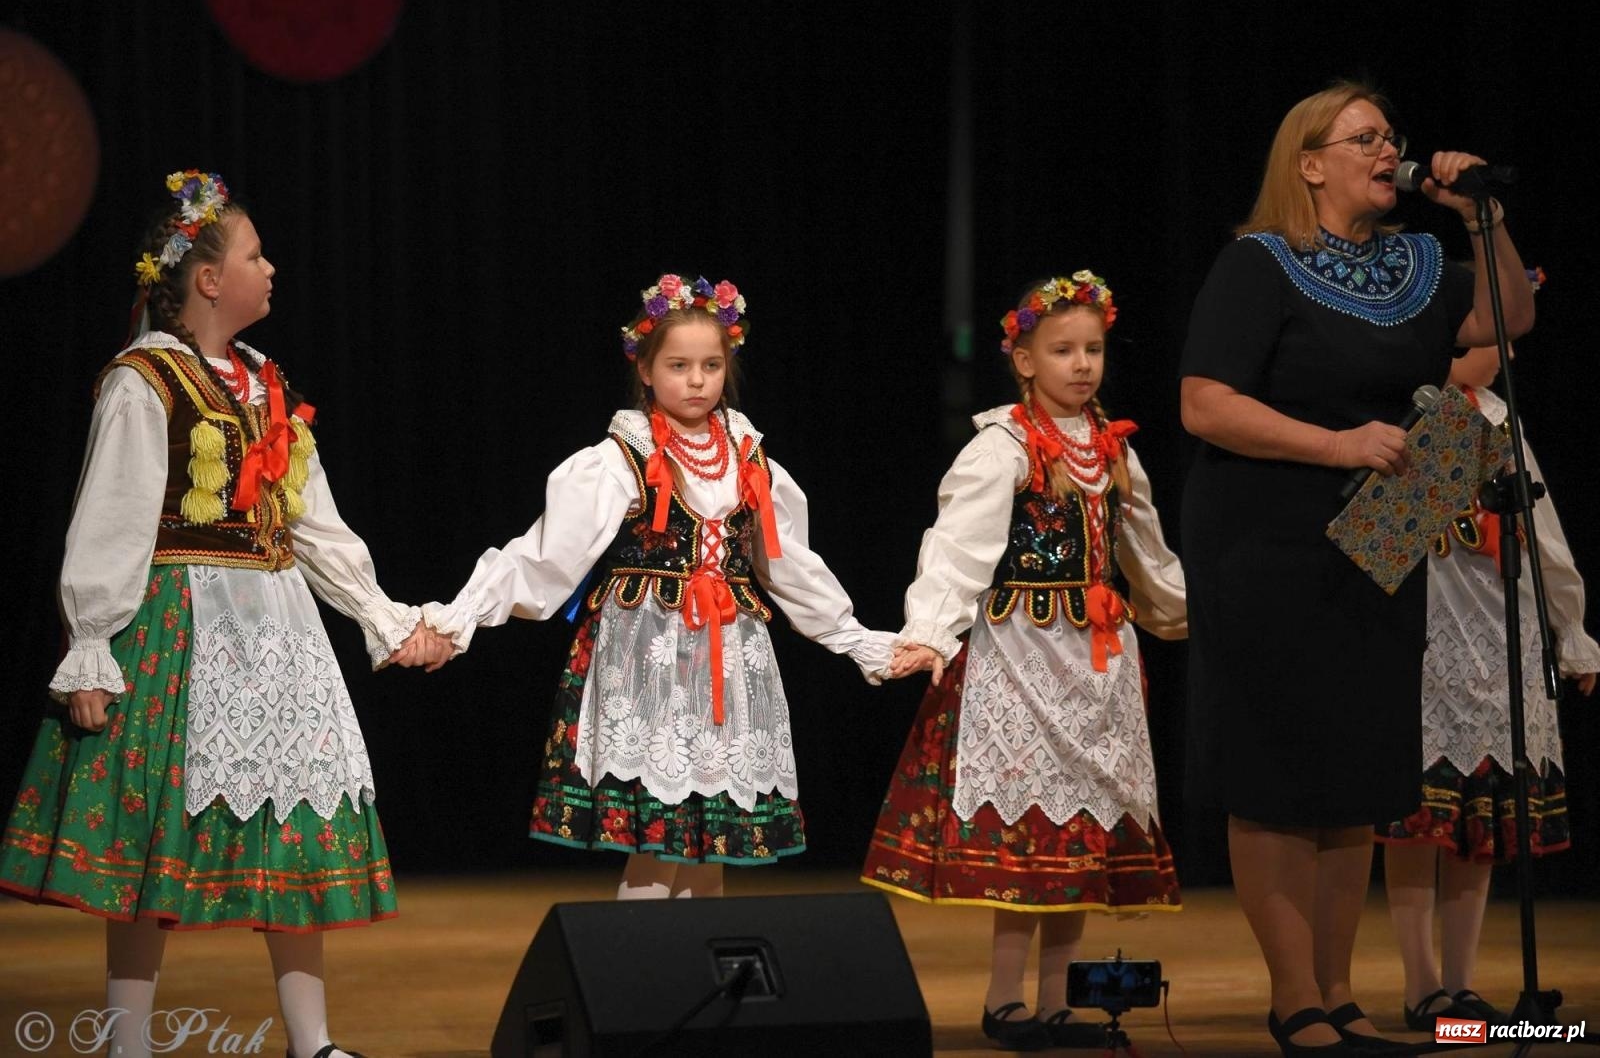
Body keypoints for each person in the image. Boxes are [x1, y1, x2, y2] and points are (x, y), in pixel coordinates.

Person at [0, 171, 446, 1058]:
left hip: (277, 630)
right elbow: (111, 520)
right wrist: (92, 643)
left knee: (295, 825)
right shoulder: (145, 382)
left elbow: (313, 521)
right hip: (181, 628)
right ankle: (128, 1042)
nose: (270, 267)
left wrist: (383, 618)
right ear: (208, 279)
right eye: (254, 254)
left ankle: (312, 1042)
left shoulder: (265, 382)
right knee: (145, 842)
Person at [1178, 81, 1536, 1056]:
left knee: (1354, 777)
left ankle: (1340, 997)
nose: (1388, 151)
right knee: (1279, 775)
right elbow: (1204, 404)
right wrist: (1334, 447)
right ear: (1309, 162)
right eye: (1363, 138)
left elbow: (1508, 318)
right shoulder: (1259, 263)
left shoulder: (1419, 260)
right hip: (1265, 545)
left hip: (1381, 544)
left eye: (1393, 138)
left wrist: (1481, 216)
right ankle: (1294, 996)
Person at [422, 274, 894, 899]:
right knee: (657, 844)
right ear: (644, 369)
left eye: (710, 365)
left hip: (728, 664)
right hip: (650, 661)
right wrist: (457, 619)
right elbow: (544, 558)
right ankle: (637, 983)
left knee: (710, 843)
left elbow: (793, 567)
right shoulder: (622, 458)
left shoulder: (751, 458)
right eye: (678, 365)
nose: (696, 380)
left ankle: (703, 982)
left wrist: (861, 642)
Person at [862, 272, 1186, 1051]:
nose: (1082, 365)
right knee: (1031, 829)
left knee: (1079, 832)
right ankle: (1007, 1001)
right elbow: (958, 548)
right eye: (1063, 350)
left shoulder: (1113, 450)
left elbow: (1146, 555)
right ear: (1023, 359)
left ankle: (1060, 1003)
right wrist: (930, 632)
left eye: (1094, 350)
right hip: (1022, 658)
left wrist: (1186, 615)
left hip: (1097, 665)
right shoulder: (1002, 446)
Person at [1381, 333, 1599, 1031]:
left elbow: (1545, 534)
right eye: (1481, 340)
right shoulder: (1410, 413)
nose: (1500, 353)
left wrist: (1571, 630)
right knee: (1420, 824)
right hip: (1425, 637)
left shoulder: (1500, 418)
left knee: (1476, 820)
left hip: (1499, 632)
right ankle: (1421, 986)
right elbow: (1387, 537)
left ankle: (1461, 983)